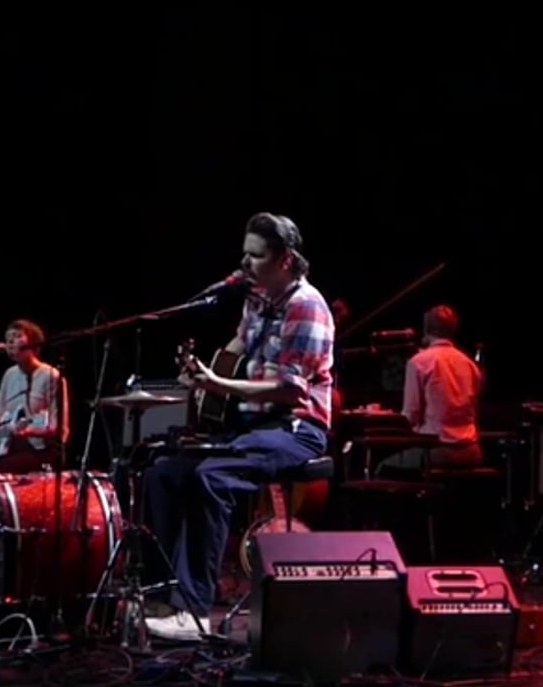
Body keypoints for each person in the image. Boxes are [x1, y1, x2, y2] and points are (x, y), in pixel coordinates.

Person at [141, 212, 336, 642]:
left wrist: (220, 384)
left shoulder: (306, 306)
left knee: (212, 477)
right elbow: (236, 347)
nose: (245, 263)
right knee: (163, 473)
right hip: (253, 427)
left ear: (285, 260)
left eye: (256, 255)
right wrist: (201, 374)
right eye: (244, 253)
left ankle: (193, 613)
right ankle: (161, 594)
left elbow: (289, 390)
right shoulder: (257, 299)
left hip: (296, 428)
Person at [377, 304, 486, 475]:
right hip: (472, 451)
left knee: (383, 467)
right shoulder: (470, 365)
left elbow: (410, 416)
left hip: (436, 450)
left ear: (426, 329)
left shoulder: (419, 362)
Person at [0, 320, 66, 477]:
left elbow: (59, 428)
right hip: (9, 446)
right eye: (8, 338)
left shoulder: (50, 376)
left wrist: (29, 431)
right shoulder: (9, 374)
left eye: (17, 336)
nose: (11, 341)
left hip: (40, 450)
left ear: (33, 344)